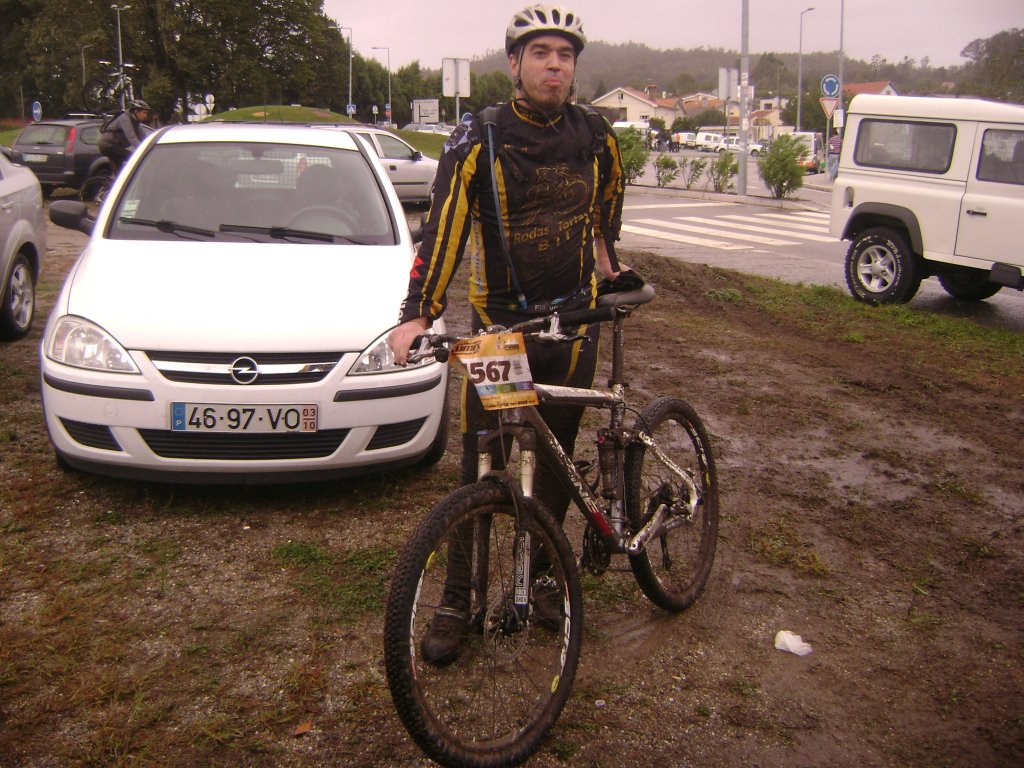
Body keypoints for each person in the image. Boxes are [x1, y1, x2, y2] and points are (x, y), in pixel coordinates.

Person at [387, 2, 630, 665]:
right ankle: (457, 600)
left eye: (565, 55)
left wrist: (607, 260)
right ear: (515, 63)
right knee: (481, 461)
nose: (555, 66)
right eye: (541, 54)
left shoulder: (595, 134)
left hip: (573, 325)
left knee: (554, 461)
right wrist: (418, 312)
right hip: (501, 331)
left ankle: (545, 582)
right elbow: (444, 230)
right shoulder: (480, 136)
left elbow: (609, 200)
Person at [99, 99, 151, 174]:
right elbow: (132, 138)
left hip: (116, 146)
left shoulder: (135, 122)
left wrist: (151, 147)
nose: (145, 116)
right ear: (136, 111)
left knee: (120, 172)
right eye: (144, 113)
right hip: (107, 146)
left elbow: (144, 137)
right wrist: (142, 151)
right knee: (131, 157)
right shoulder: (125, 119)